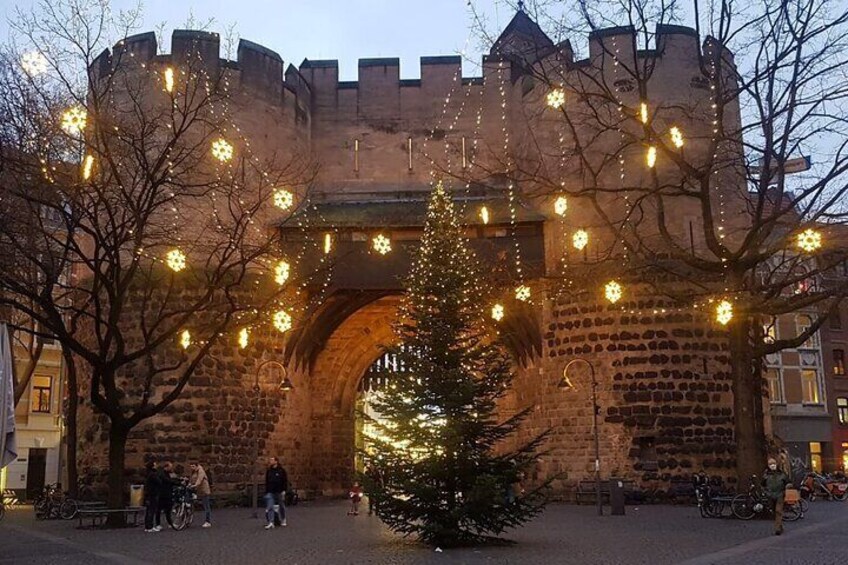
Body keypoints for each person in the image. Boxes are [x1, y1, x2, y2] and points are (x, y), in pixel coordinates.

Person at [763, 456, 790, 535]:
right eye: (770, 464)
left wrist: (786, 488)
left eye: (773, 463)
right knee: (773, 511)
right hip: (770, 495)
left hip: (779, 495)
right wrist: (766, 492)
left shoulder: (781, 474)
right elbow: (763, 484)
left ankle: (777, 528)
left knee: (778, 511)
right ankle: (780, 525)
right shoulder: (766, 475)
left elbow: (787, 482)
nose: (772, 465)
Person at [264, 457, 288, 529]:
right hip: (270, 491)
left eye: (272, 460)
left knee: (281, 506)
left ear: (276, 461)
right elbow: (267, 481)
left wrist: (284, 490)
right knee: (270, 506)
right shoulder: (269, 471)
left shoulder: (281, 471)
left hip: (279, 491)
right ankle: (271, 522)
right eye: (270, 460)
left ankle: (283, 518)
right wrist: (267, 491)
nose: (270, 461)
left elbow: (284, 481)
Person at [189, 461, 212, 528]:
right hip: (198, 490)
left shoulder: (201, 471)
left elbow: (199, 479)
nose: (192, 468)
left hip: (204, 491)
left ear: (197, 466)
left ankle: (208, 521)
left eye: (193, 466)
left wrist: (195, 485)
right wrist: (189, 484)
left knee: (206, 506)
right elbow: (192, 479)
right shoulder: (193, 472)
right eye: (191, 466)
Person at [156, 460, 176, 531]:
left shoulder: (168, 473)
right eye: (170, 467)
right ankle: (158, 524)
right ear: (166, 467)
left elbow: (172, 479)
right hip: (162, 494)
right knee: (159, 509)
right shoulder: (162, 474)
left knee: (168, 510)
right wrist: (177, 483)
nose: (171, 468)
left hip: (167, 494)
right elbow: (168, 481)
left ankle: (170, 523)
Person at [143, 460, 161, 533]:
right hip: (152, 494)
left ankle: (147, 526)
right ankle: (150, 526)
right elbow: (159, 482)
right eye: (155, 464)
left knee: (148, 511)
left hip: (148, 494)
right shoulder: (153, 474)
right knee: (151, 510)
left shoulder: (147, 473)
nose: (156, 466)